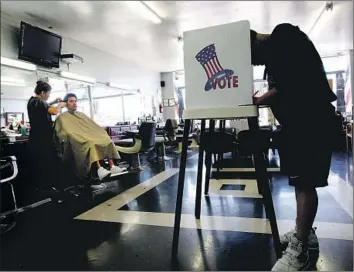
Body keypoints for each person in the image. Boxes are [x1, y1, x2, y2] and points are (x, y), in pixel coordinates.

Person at [250, 24, 337, 271]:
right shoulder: (279, 52)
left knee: (305, 183)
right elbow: (285, 86)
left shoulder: (284, 35)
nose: (256, 64)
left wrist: (258, 100)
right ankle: (305, 233)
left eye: (253, 58)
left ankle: (299, 250)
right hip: (301, 123)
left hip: (311, 120)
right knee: (302, 183)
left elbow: (291, 82)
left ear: (255, 44)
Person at [54, 93, 126, 182]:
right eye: (71, 101)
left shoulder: (81, 114)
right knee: (91, 143)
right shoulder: (62, 117)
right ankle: (100, 169)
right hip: (78, 140)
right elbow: (64, 133)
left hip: (86, 137)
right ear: (66, 104)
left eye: (75, 101)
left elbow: (92, 126)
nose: (74, 103)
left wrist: (100, 132)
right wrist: (78, 136)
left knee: (106, 139)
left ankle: (112, 166)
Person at [27, 81, 66, 190]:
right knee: (46, 163)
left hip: (35, 138)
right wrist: (60, 105)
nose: (49, 95)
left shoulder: (32, 101)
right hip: (42, 139)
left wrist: (53, 101)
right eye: (48, 93)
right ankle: (47, 187)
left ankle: (40, 187)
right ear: (43, 92)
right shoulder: (39, 102)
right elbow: (54, 111)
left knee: (39, 164)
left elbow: (45, 106)